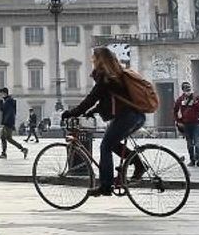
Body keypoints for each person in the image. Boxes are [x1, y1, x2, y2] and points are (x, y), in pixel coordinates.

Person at [61, 47, 149, 198]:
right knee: (113, 143)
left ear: (99, 60)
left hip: (126, 117)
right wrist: (92, 112)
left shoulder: (105, 77)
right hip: (137, 116)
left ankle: (105, 186)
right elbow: (109, 101)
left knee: (105, 146)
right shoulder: (117, 75)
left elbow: (91, 99)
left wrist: (71, 112)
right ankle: (139, 165)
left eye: (94, 58)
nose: (92, 61)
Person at [174, 82, 199, 167]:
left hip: (196, 123)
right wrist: (178, 121)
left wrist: (195, 102)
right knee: (189, 143)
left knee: (197, 142)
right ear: (183, 90)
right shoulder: (180, 99)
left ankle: (198, 159)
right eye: (186, 90)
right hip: (186, 124)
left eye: (189, 89)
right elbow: (175, 110)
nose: (188, 91)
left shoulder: (196, 97)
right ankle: (192, 159)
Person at [0, 89, 27, 160]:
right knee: (3, 137)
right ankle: (4, 153)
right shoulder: (9, 100)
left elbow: (3, 109)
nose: (1, 95)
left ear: (5, 93)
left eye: (2, 94)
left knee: (8, 138)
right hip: (8, 122)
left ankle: (23, 149)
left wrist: (0, 103)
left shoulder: (8, 101)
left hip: (8, 122)